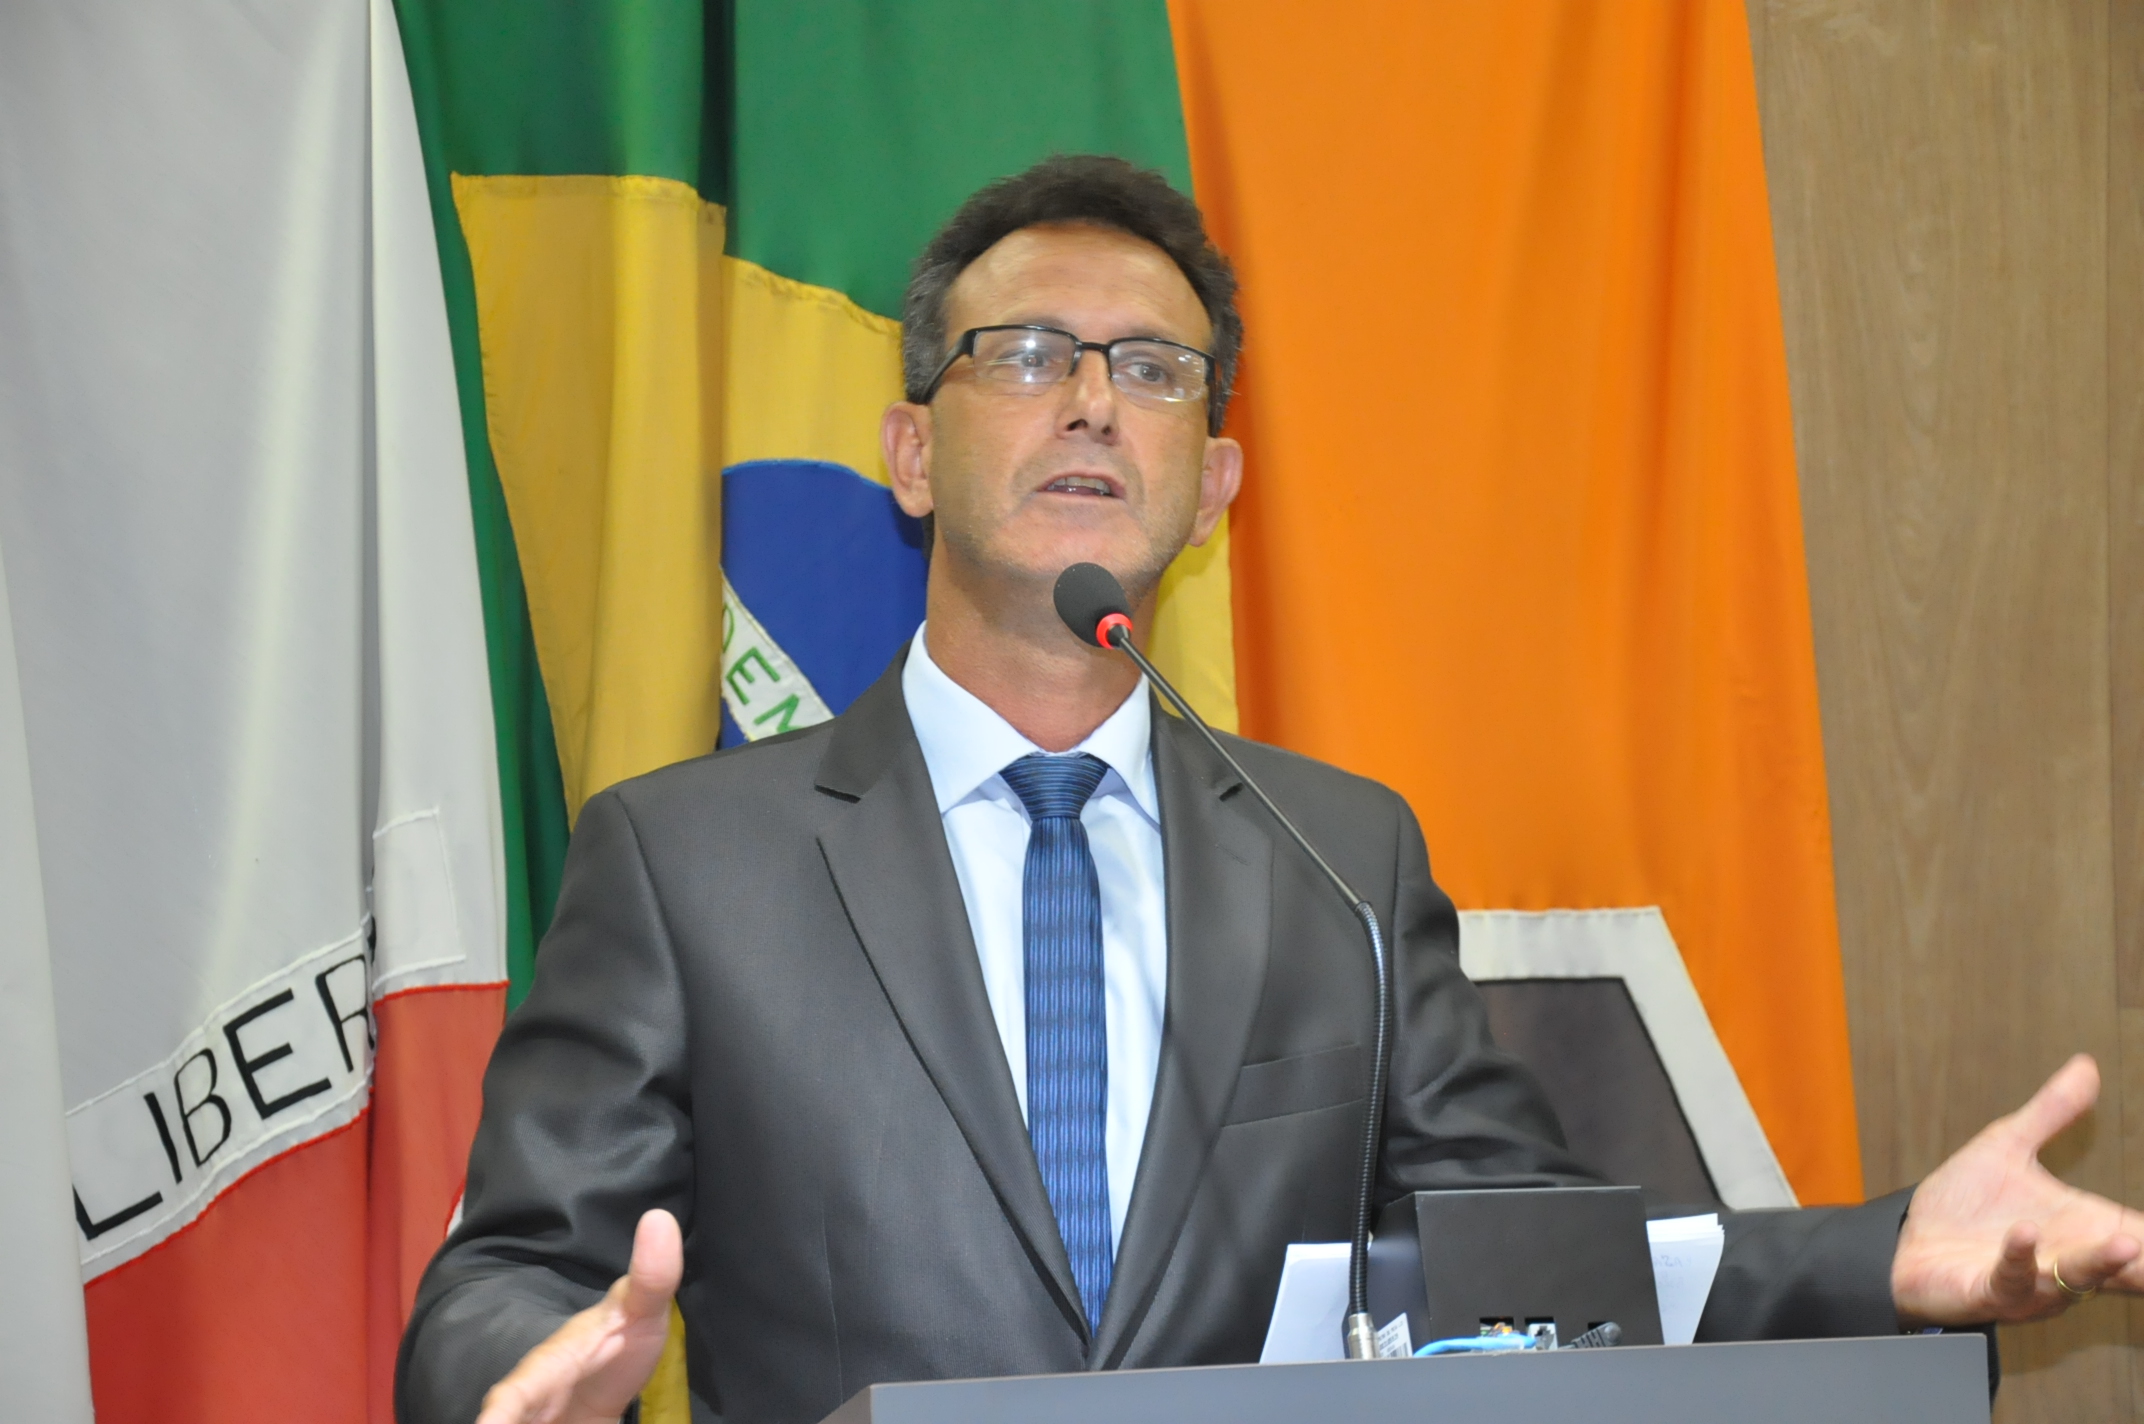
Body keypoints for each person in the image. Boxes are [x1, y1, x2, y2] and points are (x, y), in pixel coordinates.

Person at [396, 156, 2144, 1424]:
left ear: (1215, 480)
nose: (1094, 403)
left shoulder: (1338, 858)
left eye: (1152, 370)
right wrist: (517, 1378)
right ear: (912, 450)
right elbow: (510, 1271)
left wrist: (1881, 1254)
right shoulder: (690, 862)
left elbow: (1523, 1265)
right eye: (1028, 354)